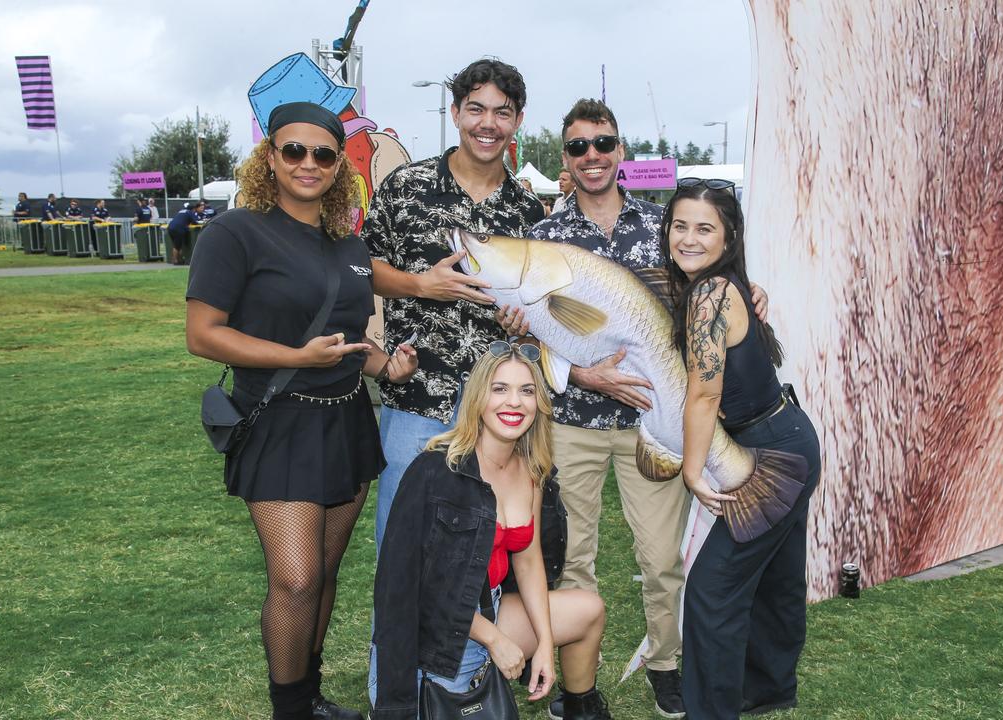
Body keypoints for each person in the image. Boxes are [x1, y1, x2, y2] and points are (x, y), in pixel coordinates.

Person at [496, 99, 770, 719]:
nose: (591, 156)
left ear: (621, 151)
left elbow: (709, 287)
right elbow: (525, 339)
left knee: (660, 556)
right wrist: (583, 373)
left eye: (603, 143)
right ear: (563, 157)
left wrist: (745, 290)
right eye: (577, 147)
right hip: (571, 424)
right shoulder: (543, 238)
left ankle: (667, 668)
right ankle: (578, 685)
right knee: (573, 556)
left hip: (657, 421)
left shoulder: (663, 228)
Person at [186, 101, 418, 720]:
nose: (308, 163)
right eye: (294, 150)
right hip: (279, 421)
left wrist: (382, 364)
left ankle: (309, 694)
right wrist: (297, 355)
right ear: (270, 156)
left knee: (324, 573)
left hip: (345, 420)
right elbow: (203, 334)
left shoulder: (346, 241)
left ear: (341, 162)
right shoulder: (234, 232)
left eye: (323, 153)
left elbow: (345, 336)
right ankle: (288, 708)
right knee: (295, 578)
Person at [362, 57, 544, 551]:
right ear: (456, 113)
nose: (488, 123)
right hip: (416, 399)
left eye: (502, 113)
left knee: (482, 552)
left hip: (497, 408)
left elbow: (538, 311)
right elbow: (361, 269)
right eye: (476, 109)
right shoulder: (406, 187)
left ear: (518, 120)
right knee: (403, 547)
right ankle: (392, 635)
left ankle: (474, 635)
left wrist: (521, 324)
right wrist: (421, 284)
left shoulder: (529, 213)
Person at [372, 344, 612, 720]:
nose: (514, 402)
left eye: (527, 391)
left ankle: (582, 710)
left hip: (489, 609)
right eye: (499, 389)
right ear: (478, 398)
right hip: (437, 637)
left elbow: (529, 560)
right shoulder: (435, 472)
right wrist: (495, 640)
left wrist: (545, 644)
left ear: (540, 403)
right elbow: (415, 588)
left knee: (588, 609)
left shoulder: (532, 472)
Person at [660, 179, 821, 719]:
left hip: (773, 455)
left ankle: (713, 708)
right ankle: (768, 685)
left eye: (704, 228)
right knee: (777, 576)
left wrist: (691, 470)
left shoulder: (709, 295)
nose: (688, 238)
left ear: (728, 236)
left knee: (712, 590)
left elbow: (704, 394)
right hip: (789, 438)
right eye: (679, 225)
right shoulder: (723, 286)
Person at [168, 200, 205, 264]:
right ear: (193, 209)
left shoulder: (181, 211)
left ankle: (180, 260)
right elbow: (196, 222)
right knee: (177, 246)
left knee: (177, 245)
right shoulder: (190, 212)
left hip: (170, 227)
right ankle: (175, 261)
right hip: (178, 229)